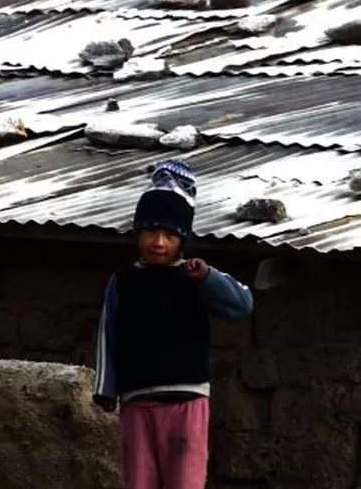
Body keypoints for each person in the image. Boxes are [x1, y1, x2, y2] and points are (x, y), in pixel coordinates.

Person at [92, 159, 254, 489]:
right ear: (138, 232)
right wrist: (105, 388)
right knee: (140, 481)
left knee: (185, 482)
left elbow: (242, 305)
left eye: (170, 234)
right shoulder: (122, 281)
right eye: (152, 231)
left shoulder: (195, 276)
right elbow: (107, 333)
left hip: (188, 401)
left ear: (183, 239)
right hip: (137, 401)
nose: (159, 242)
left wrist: (208, 277)